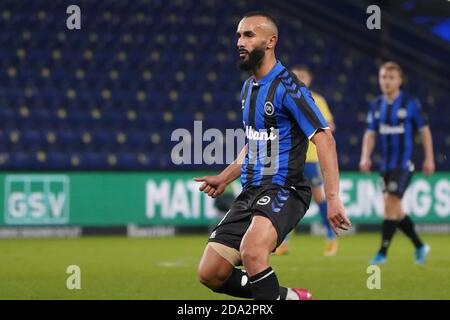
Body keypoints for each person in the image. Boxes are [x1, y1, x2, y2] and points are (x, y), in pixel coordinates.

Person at [194, 11, 351, 300]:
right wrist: (226, 177)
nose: (240, 41)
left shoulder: (289, 88)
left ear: (270, 41)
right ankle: (291, 298)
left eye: (249, 35)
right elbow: (254, 142)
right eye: (239, 35)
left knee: (253, 252)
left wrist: (332, 198)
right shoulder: (248, 88)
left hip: (285, 188)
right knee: (210, 272)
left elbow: (324, 138)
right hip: (251, 190)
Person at [360, 61, 434, 265]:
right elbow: (370, 133)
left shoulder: (410, 103)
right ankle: (420, 246)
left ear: (399, 80)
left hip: (404, 164)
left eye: (391, 77)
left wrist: (429, 158)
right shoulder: (376, 105)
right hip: (385, 165)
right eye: (383, 77)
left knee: (389, 203)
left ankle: (382, 252)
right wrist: (365, 156)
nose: (386, 81)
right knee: (395, 209)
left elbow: (424, 131)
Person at [274, 65, 338, 256]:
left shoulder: (317, 100)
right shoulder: (284, 98)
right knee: (284, 199)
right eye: (296, 75)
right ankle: (282, 241)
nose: (300, 78)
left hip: (310, 158)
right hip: (289, 158)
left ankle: (331, 237)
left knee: (319, 199)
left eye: (303, 76)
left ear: (309, 79)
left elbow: (330, 126)